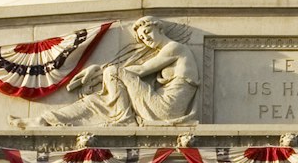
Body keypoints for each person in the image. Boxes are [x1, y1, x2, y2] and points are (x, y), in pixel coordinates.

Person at [11, 16, 200, 128]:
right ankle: (44, 120)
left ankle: (125, 119)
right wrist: (103, 74)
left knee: (113, 71)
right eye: (142, 37)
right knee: (96, 101)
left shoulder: (175, 48)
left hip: (165, 109)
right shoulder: (166, 51)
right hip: (155, 104)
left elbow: (141, 70)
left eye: (148, 32)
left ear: (159, 28)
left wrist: (102, 71)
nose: (145, 39)